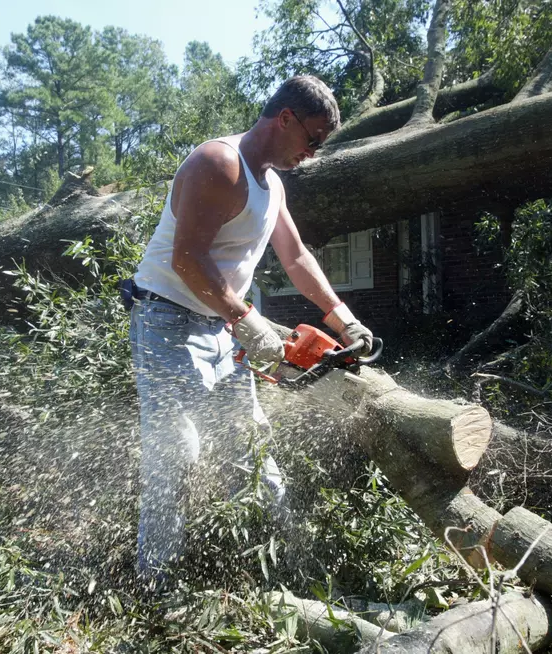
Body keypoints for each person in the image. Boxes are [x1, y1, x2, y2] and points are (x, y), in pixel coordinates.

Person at [127, 75, 375, 586]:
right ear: (285, 118)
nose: (314, 151)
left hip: (221, 324)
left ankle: (288, 562)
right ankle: (157, 584)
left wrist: (340, 316)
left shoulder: (274, 184)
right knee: (178, 450)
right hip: (167, 319)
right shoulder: (216, 164)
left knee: (251, 441)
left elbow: (297, 256)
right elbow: (187, 258)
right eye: (313, 138)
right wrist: (248, 319)